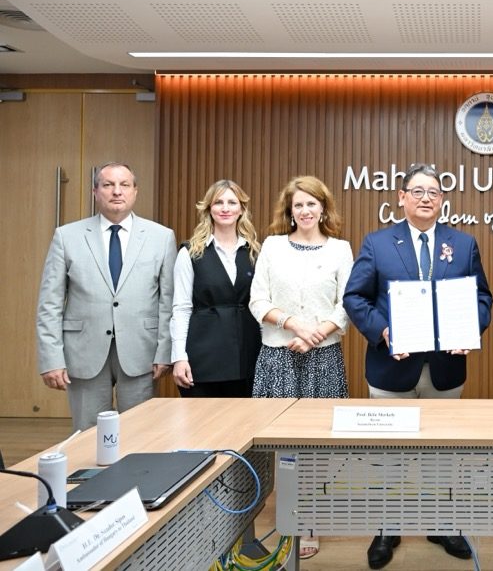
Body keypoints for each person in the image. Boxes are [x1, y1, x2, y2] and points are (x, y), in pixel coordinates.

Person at [343, 162, 493, 570]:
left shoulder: (462, 244)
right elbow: (355, 297)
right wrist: (383, 330)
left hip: (445, 369)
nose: (426, 198)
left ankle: (442, 524)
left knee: (442, 451)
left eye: (434, 192)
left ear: (442, 200)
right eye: (418, 191)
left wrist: (470, 329)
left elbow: (482, 298)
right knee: (389, 453)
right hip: (392, 368)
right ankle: (387, 528)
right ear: (402, 197)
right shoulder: (378, 243)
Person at [36, 162, 177, 431]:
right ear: (95, 191)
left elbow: (167, 302)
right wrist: (51, 359)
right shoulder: (67, 236)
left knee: (140, 432)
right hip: (83, 351)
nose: (117, 191)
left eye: (124, 185)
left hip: (141, 352)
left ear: (135, 191)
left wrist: (164, 351)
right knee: (88, 435)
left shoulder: (161, 237)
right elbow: (49, 304)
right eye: (108, 185)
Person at [249, 176, 353, 400]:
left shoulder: (341, 250)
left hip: (324, 357)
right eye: (298, 205)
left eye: (311, 203)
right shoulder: (272, 246)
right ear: (290, 211)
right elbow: (258, 301)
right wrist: (296, 326)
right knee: (274, 423)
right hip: (278, 356)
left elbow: (346, 305)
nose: (305, 211)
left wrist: (312, 337)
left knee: (320, 422)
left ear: (323, 208)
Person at [170, 180, 262, 398]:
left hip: (247, 355)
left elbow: (262, 307)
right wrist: (179, 357)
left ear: (241, 209)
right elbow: (181, 308)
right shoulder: (190, 252)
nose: (225, 208)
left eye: (232, 202)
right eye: (218, 202)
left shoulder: (255, 252)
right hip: (203, 359)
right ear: (209, 209)